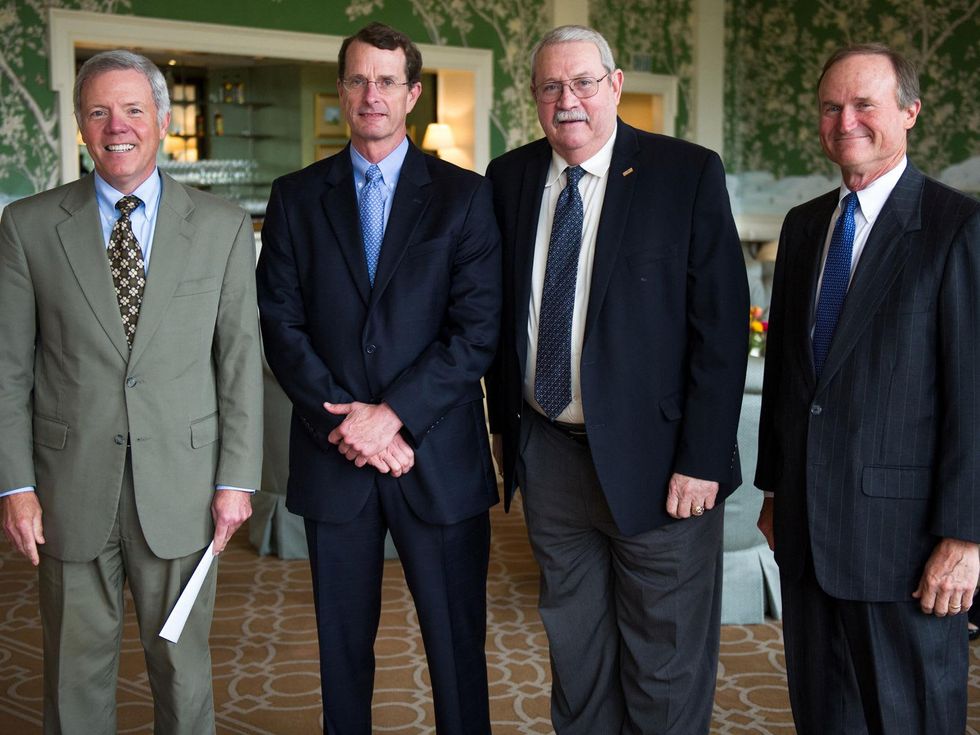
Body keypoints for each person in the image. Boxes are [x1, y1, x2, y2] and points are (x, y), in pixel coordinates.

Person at [485, 25, 748, 734]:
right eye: (550, 86)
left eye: (583, 83)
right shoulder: (507, 179)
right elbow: (498, 322)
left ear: (616, 84)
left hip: (663, 466)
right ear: (534, 97)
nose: (567, 100)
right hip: (551, 457)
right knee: (576, 655)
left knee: (663, 662)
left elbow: (721, 332)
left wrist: (701, 458)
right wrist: (502, 436)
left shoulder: (684, 172)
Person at [0, 50, 263, 734]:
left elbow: (238, 360)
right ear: (82, 125)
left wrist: (237, 477)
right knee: (73, 675)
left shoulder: (222, 225)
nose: (117, 125)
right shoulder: (27, 227)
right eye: (98, 111)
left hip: (183, 484)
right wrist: (14, 485)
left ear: (164, 121)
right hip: (68, 485)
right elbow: (8, 368)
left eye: (133, 109)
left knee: (184, 670)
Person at [256, 22, 501, 735]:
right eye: (358, 80)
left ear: (413, 94)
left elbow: (476, 331)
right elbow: (281, 324)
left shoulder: (464, 196)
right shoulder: (297, 196)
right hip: (337, 460)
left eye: (387, 81)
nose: (372, 94)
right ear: (340, 91)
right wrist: (348, 423)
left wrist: (390, 415)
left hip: (437, 458)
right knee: (340, 657)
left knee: (458, 653)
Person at [755, 44, 980, 734]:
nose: (844, 119)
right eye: (831, 106)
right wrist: (773, 490)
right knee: (823, 715)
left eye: (863, 104)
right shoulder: (802, 227)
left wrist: (966, 536)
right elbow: (790, 381)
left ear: (909, 113)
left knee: (908, 718)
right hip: (807, 530)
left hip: (906, 545)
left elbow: (974, 394)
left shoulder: (957, 227)